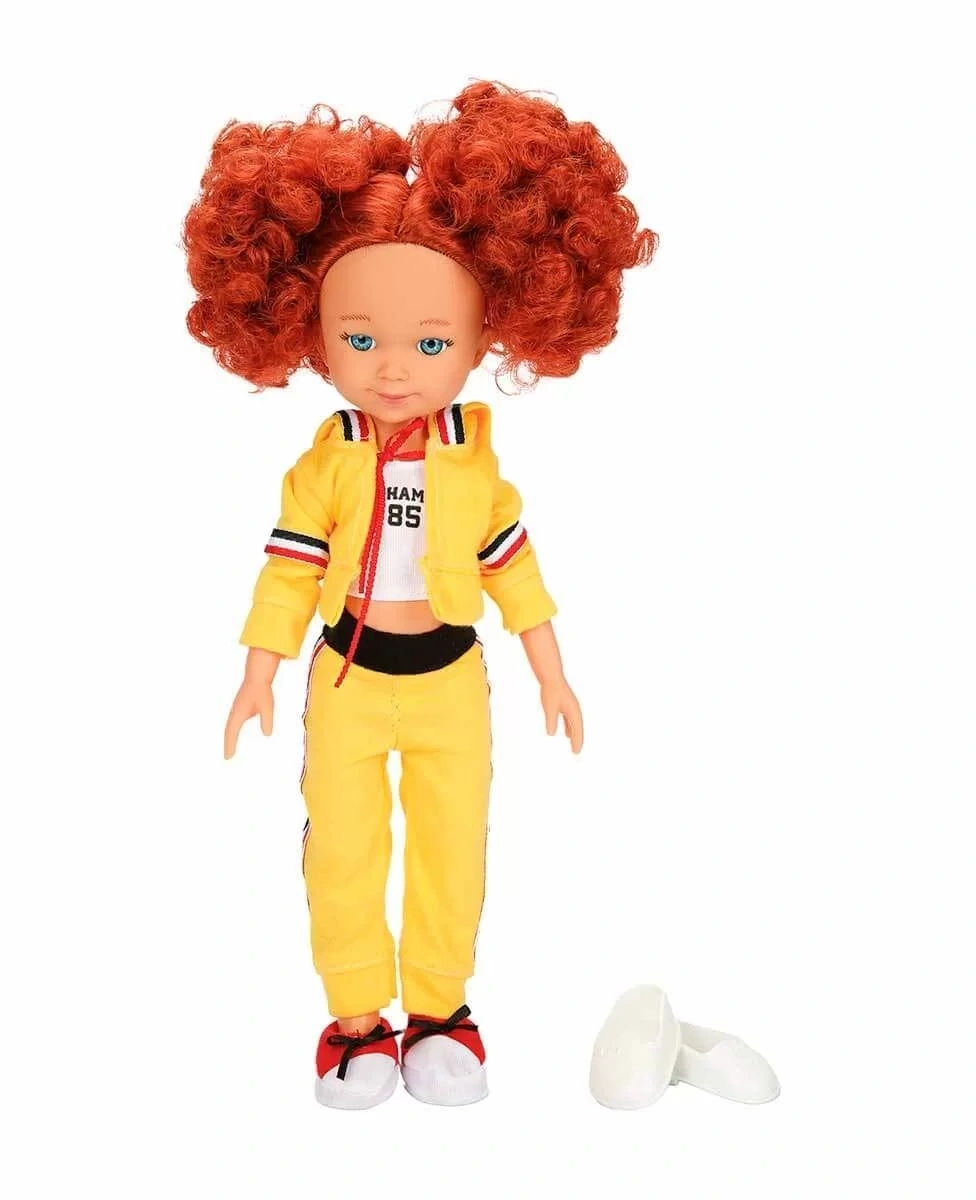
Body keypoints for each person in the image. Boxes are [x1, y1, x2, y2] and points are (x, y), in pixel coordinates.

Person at [183, 79, 656, 1108]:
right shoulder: (326, 466)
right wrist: (259, 673)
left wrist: (552, 672)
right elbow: (289, 569)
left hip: (448, 680)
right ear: (310, 334)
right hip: (348, 677)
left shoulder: (474, 467)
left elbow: (513, 567)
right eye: (360, 340)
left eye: (431, 344)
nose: (394, 370)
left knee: (451, 846)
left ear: (488, 337)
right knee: (341, 848)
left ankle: (441, 1011)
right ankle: (356, 1019)